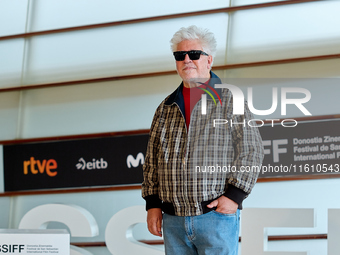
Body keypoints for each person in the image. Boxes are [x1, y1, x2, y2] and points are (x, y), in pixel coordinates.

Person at [142, 25, 264, 255]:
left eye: (194, 54)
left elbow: (252, 151)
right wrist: (153, 204)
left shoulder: (230, 99)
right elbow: (151, 162)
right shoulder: (165, 108)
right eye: (180, 56)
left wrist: (234, 196)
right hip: (173, 221)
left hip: (215, 217)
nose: (187, 59)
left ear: (209, 60)